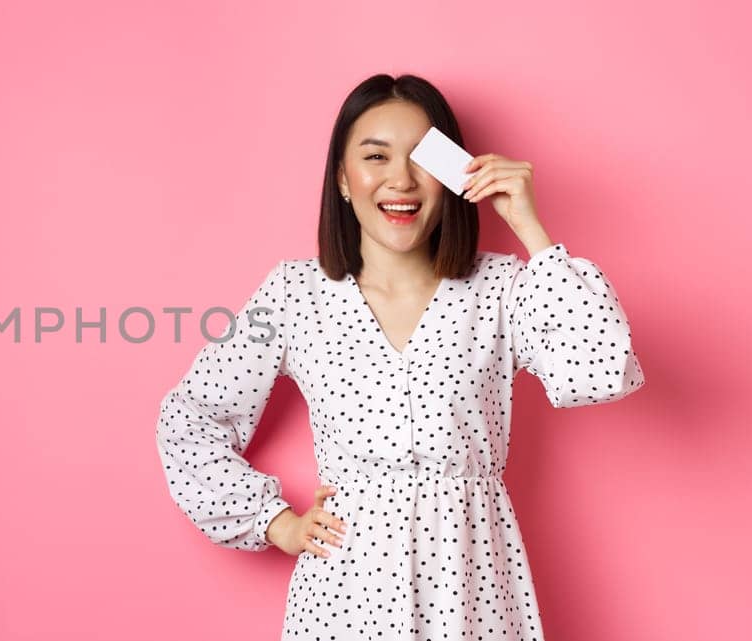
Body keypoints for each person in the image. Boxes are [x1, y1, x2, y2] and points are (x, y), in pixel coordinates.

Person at [153, 73, 646, 640]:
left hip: (473, 587)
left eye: (421, 158)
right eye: (376, 156)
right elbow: (192, 416)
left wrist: (529, 228)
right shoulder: (294, 295)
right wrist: (275, 524)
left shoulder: (504, 289)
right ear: (342, 178)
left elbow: (602, 369)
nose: (401, 180)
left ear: (453, 173)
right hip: (346, 594)